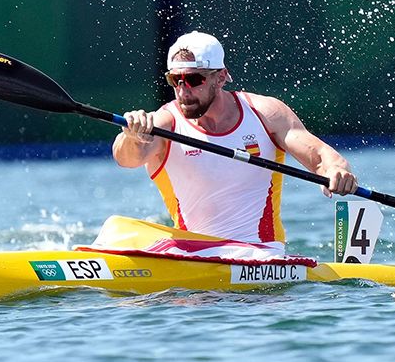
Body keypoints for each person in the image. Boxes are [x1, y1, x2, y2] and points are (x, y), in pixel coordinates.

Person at [113, 31, 358, 244]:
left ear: (220, 78)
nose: (183, 90)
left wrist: (336, 170)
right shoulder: (164, 123)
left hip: (263, 256)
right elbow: (127, 159)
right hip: (193, 258)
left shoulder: (265, 114)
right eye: (175, 80)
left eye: (193, 79)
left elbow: (320, 156)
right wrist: (132, 136)